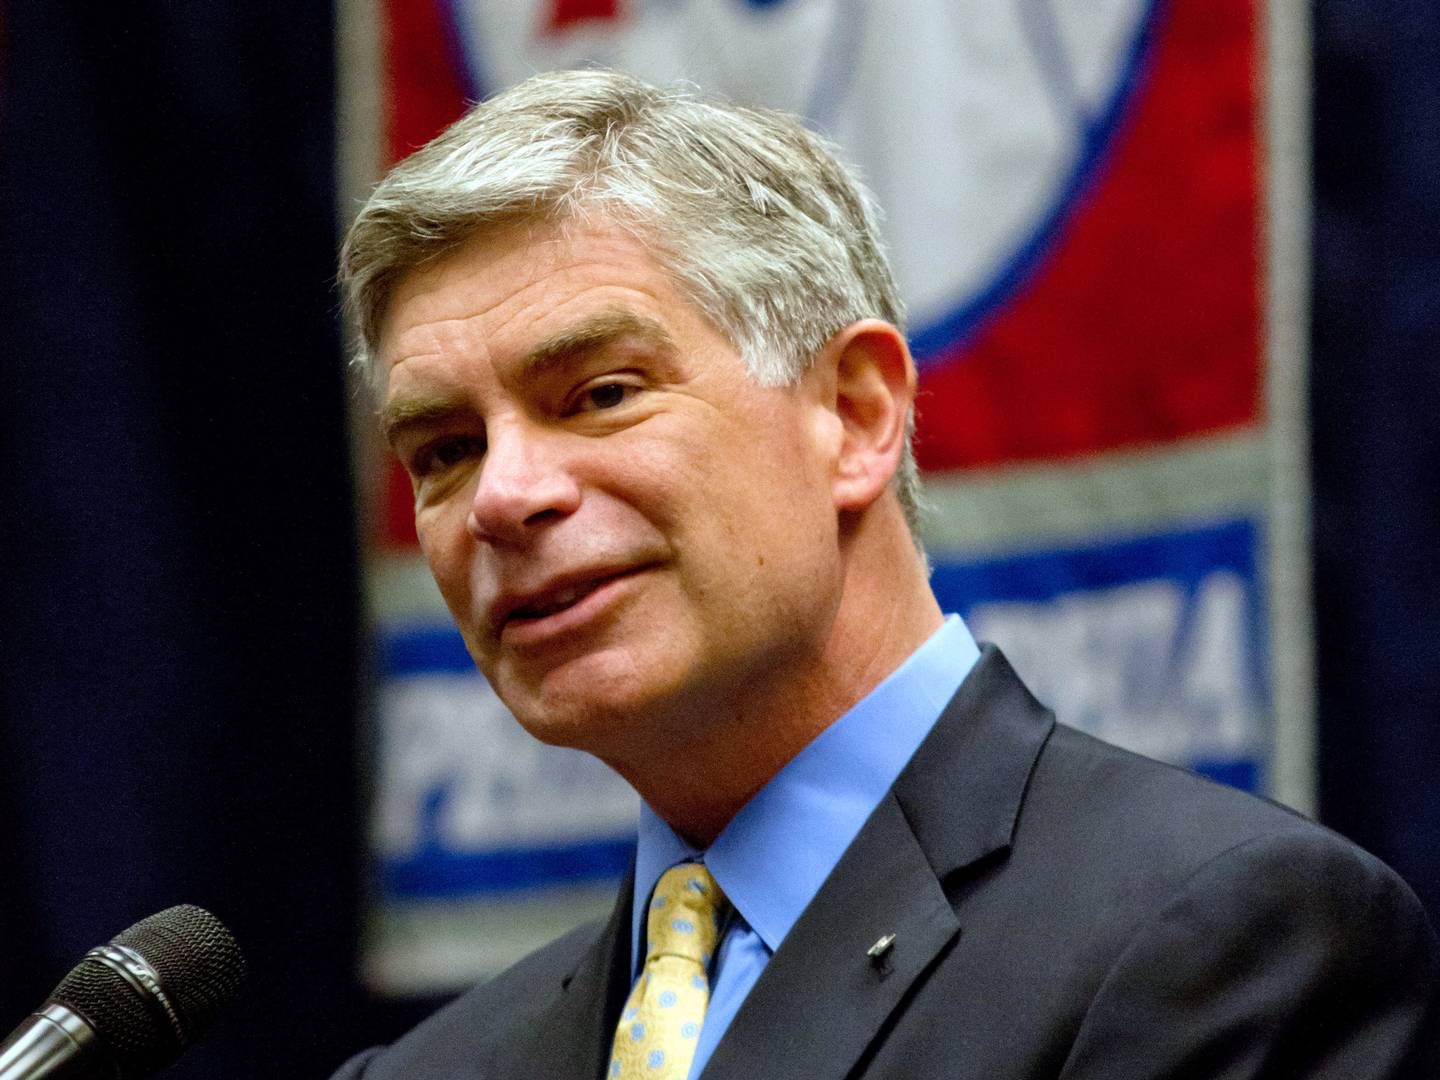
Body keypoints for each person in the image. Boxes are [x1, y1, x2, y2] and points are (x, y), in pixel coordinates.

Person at [331, 69, 1438, 1079]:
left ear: (855, 416)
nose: (504, 497)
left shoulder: (1222, 942)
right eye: (444, 451)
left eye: (602, 393)